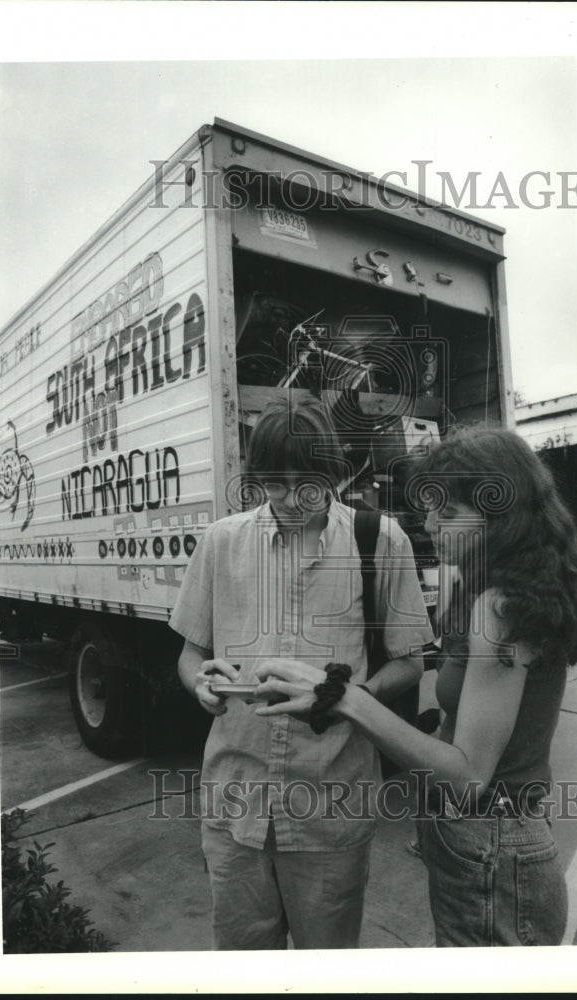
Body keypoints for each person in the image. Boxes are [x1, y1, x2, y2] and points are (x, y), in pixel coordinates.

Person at [255, 426, 577, 947]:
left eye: (447, 514)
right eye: (431, 509)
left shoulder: (499, 607)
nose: (430, 524)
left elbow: (468, 775)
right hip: (484, 844)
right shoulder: (498, 588)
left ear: (501, 517)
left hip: (494, 849)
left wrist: (344, 699)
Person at [170, 396, 433, 950]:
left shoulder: (380, 541)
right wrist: (202, 682)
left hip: (330, 809)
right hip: (234, 806)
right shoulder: (221, 543)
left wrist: (347, 698)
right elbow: (190, 654)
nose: (291, 499)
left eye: (308, 483)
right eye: (274, 484)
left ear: (335, 472)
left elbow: (411, 660)